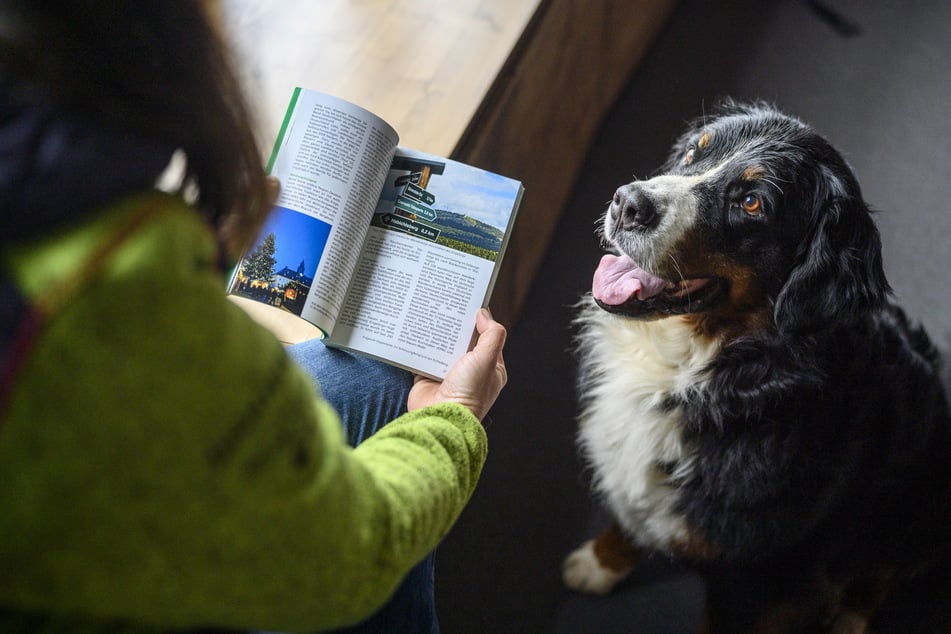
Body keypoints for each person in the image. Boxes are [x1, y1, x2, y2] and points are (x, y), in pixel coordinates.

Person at [0, 1, 507, 632]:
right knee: (410, 408)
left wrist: (204, 258)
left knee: (377, 377)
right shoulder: (109, 288)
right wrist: (454, 421)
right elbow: (344, 555)